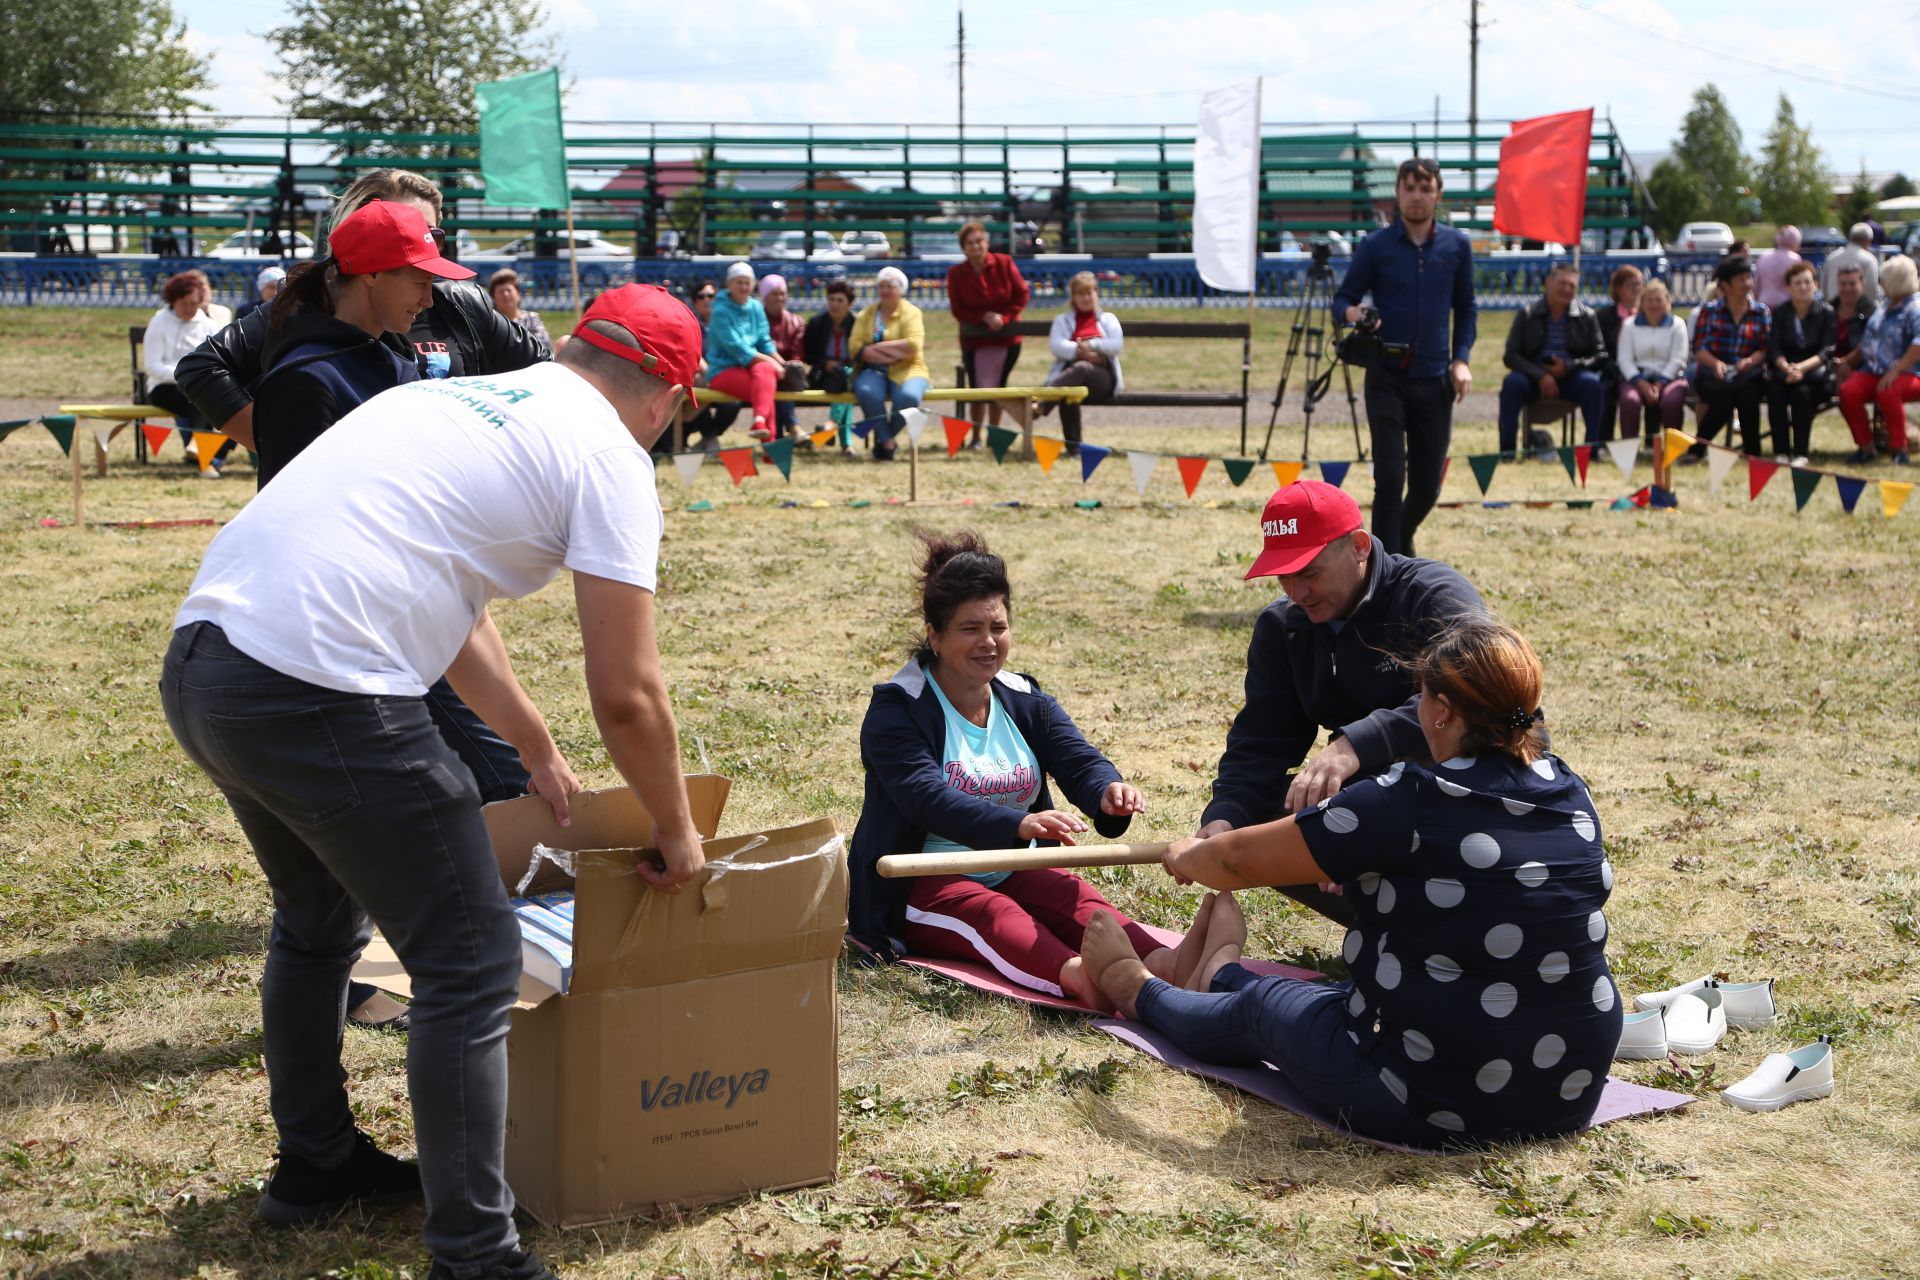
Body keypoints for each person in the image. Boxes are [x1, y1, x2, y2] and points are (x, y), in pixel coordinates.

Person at [160, 284, 707, 1280]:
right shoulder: (609, 459)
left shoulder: (442, 400)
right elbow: (629, 690)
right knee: (469, 956)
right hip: (321, 685)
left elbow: (449, 596)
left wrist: (532, 743)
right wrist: (677, 825)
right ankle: (475, 1251)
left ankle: (316, 1162)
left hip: (207, 661)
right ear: (668, 396)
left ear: (573, 347)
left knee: (317, 918)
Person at [1082, 617, 1619, 1149]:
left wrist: (1192, 856)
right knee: (1326, 995)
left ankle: (1139, 989)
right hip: (1568, 1092)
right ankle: (1218, 971)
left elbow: (1238, 861)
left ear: (1440, 711)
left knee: (1265, 1009)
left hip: (1427, 1095)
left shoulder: (1409, 799)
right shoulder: (1573, 791)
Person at [848, 530, 1188, 1007]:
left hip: (1012, 862)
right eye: (970, 629)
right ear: (934, 635)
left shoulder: (1025, 699)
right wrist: (1018, 823)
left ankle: (1169, 962)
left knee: (1082, 904)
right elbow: (924, 797)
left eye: (998, 627)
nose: (988, 642)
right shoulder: (896, 710)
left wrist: (1106, 791)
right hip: (922, 883)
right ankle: (1084, 980)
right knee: (996, 915)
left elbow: (1077, 758)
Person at [1198, 480, 1490, 927]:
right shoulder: (1283, 627)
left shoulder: (1431, 594)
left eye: (1309, 573)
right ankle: (1387, 927)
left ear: (1358, 547)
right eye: (1284, 576)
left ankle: (1442, 929)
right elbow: (1261, 740)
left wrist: (1354, 748)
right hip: (1370, 795)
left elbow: (1474, 691)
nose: (1296, 592)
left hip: (1463, 791)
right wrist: (1225, 820)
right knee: (1258, 823)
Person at [175, 167, 550, 456]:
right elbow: (202, 367)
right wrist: (280, 443)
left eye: (431, 236)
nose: (418, 247)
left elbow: (545, 380)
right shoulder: (303, 310)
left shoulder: (462, 303)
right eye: (399, 231)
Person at [1332, 157, 1476, 558]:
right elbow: (1342, 299)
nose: (1417, 196)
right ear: (1397, 193)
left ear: (1438, 194)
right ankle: (1384, 574)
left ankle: (1399, 541)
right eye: (1409, 188)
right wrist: (1353, 313)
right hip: (1386, 377)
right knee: (1390, 478)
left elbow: (1466, 308)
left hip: (1435, 380)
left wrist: (1460, 359)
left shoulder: (1457, 245)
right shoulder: (1375, 246)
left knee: (1428, 486)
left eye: (1425, 188)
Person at [248, 201, 447, 488]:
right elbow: (296, 513)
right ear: (372, 273)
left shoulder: (397, 364)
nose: (428, 300)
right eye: (421, 283)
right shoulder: (305, 380)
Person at [1499, 264, 1607, 453]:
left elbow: (1600, 354)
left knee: (1593, 386)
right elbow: (1511, 356)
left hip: (1572, 376)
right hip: (1533, 377)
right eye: (1562, 283)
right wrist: (1540, 375)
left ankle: (1591, 451)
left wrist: (1569, 366)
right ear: (1549, 283)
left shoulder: (1587, 316)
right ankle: (1506, 451)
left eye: (1572, 286)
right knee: (1512, 385)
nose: (1566, 289)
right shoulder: (1527, 314)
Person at [946, 222, 1030, 446]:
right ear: (963, 248)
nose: (975, 246)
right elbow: (957, 309)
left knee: (999, 387)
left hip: (1007, 339)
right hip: (974, 341)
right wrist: (982, 318)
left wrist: (1004, 318)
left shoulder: (1004, 263)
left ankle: (995, 433)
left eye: (979, 241)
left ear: (987, 243)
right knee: (977, 389)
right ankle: (975, 436)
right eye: (970, 243)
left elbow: (1022, 295)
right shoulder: (956, 274)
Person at [1837, 254, 1920, 466]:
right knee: (1848, 391)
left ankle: (1899, 449)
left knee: (1888, 391)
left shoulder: (1915, 308)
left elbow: (1918, 344)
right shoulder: (1884, 305)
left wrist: (1896, 372)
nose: (1881, 282)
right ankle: (1865, 447)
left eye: (1884, 278)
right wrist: (1848, 362)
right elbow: (1868, 341)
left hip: (1910, 372)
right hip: (1874, 370)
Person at [1686, 256, 1771, 458]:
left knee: (1748, 397)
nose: (1747, 283)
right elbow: (1699, 348)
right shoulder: (1709, 311)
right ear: (1725, 285)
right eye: (1741, 279)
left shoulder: (1761, 311)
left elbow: (1766, 347)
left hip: (1748, 373)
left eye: (1749, 278)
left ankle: (1752, 454)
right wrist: (1716, 364)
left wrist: (1750, 361)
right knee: (1722, 402)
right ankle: (1698, 450)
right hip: (1713, 374)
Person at [1040, 271, 1124, 456]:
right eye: (1081, 293)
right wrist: (1079, 351)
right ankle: (1074, 447)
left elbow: (1117, 344)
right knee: (1070, 389)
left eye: (1090, 292)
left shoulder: (1108, 319)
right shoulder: (1062, 320)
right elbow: (1056, 345)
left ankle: (1041, 404)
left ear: (1096, 294)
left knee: (1081, 369)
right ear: (1073, 296)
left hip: (1102, 379)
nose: (1086, 297)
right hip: (1072, 377)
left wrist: (1093, 345)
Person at [852, 266, 930, 462]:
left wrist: (876, 348)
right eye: (882, 286)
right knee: (867, 392)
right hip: (872, 370)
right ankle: (888, 443)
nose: (886, 290)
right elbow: (856, 348)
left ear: (901, 289)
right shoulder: (866, 315)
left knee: (908, 397)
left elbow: (913, 346)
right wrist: (894, 353)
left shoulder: (911, 313)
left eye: (891, 286)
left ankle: (885, 439)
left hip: (910, 368)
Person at [703, 261, 783, 442]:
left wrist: (780, 362)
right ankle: (771, 445)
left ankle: (760, 422)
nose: (744, 286)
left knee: (766, 374)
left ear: (753, 284)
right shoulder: (720, 310)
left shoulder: (756, 307)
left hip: (750, 367)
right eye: (739, 282)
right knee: (764, 391)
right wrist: (772, 363)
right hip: (722, 370)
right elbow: (736, 347)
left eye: (747, 282)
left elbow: (764, 340)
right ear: (729, 284)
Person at [145, 270, 223, 454]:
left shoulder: (209, 325)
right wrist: (184, 377)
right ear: (172, 302)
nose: (189, 309)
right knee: (200, 400)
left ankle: (201, 452)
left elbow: (218, 359)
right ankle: (205, 453)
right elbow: (151, 364)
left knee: (206, 398)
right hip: (164, 387)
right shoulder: (159, 322)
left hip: (200, 386)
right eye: (183, 304)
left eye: (193, 304)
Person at [1765, 261, 1835, 466]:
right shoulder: (1781, 312)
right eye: (1798, 283)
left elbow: (1827, 350)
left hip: (1814, 374)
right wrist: (1786, 367)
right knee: (1774, 391)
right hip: (1784, 372)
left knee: (1801, 394)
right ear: (1789, 287)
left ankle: (1800, 452)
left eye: (1808, 282)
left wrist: (1801, 368)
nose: (1803, 287)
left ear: (1815, 285)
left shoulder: (1826, 312)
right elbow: (1774, 347)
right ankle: (1781, 451)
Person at [1615, 280, 1690, 444]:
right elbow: (1624, 359)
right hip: (1636, 378)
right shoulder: (1629, 325)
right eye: (1650, 300)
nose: (1654, 304)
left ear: (1667, 302)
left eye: (1659, 300)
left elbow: (1679, 358)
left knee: (1672, 401)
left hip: (1670, 379)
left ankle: (1672, 449)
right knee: (1629, 401)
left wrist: (1660, 384)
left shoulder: (1677, 325)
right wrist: (1641, 383)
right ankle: (1629, 450)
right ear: (1643, 302)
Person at [803, 277, 859, 450]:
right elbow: (808, 354)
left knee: (846, 378)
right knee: (844, 382)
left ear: (850, 304)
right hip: (823, 375)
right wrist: (825, 362)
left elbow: (862, 354)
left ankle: (832, 425)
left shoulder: (858, 324)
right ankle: (844, 442)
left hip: (849, 374)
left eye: (840, 300)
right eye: (831, 299)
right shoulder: (816, 323)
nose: (834, 304)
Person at [1595, 265, 1641, 440]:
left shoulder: (1647, 316)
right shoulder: (1604, 317)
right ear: (1618, 288)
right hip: (1612, 370)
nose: (1637, 288)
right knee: (1605, 389)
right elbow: (1600, 348)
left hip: (1641, 371)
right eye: (1631, 284)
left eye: (1639, 284)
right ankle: (1604, 442)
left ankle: (1649, 446)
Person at [760, 273, 808, 438]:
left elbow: (797, 355)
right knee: (771, 378)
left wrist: (785, 367)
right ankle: (792, 427)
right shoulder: (755, 320)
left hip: (789, 375)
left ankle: (782, 435)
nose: (779, 298)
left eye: (782, 293)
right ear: (765, 297)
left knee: (783, 379)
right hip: (762, 372)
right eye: (774, 293)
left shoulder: (796, 322)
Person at [486, 267, 554, 351]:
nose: (505, 295)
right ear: (493, 298)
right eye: (501, 291)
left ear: (518, 294)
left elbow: (545, 346)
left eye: (509, 290)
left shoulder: (531, 319)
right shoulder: (491, 324)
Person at [1821, 223, 1881, 307]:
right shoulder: (1869, 260)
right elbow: (1872, 290)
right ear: (1868, 241)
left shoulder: (1831, 258)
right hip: (1860, 312)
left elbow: (1824, 287)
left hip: (1833, 310)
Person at [1754, 225, 1803, 311]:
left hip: (1764, 303)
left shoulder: (1764, 256)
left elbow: (1757, 284)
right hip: (1786, 305)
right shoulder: (1795, 258)